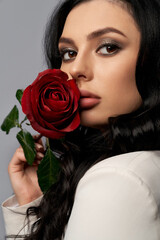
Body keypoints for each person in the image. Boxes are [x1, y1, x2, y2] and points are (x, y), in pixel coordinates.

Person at [2, 0, 160, 239]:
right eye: (69, 53)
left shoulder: (117, 180)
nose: (76, 69)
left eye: (108, 47)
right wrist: (31, 203)